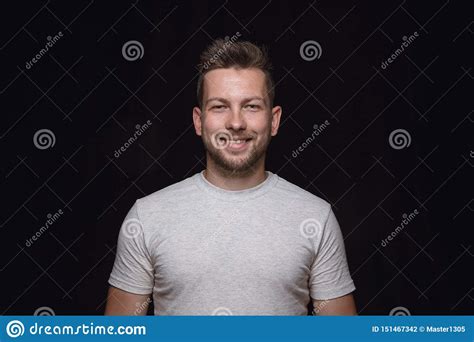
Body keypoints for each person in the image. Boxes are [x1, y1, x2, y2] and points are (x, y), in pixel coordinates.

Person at [105, 39, 356, 315]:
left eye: (251, 106)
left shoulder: (315, 217)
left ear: (274, 121)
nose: (236, 123)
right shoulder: (147, 217)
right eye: (220, 106)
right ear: (199, 121)